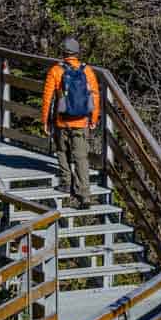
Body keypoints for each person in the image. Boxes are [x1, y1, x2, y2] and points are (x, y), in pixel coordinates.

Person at [42, 37, 100, 208]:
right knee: (81, 157)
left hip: (62, 120)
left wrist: (45, 120)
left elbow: (47, 98)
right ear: (77, 52)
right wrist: (94, 118)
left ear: (63, 53)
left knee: (61, 150)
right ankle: (85, 194)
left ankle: (66, 182)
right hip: (81, 121)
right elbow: (94, 95)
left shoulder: (55, 70)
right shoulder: (87, 70)